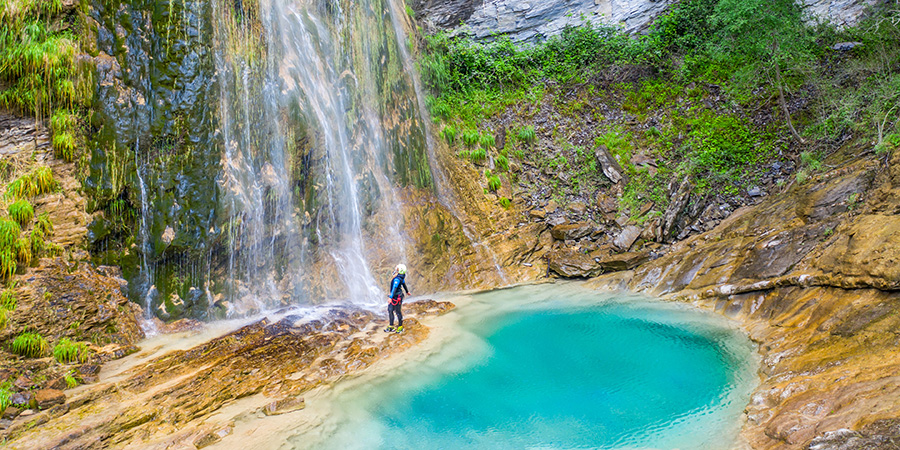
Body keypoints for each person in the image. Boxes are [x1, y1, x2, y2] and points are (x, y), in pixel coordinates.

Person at [385, 263, 410, 333]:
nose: (396, 269)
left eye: (397, 269)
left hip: (397, 297)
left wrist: (390, 297)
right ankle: (391, 326)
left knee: (398, 311)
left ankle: (400, 326)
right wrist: (407, 292)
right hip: (395, 296)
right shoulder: (401, 277)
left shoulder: (397, 279)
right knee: (390, 310)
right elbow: (404, 284)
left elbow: (394, 288)